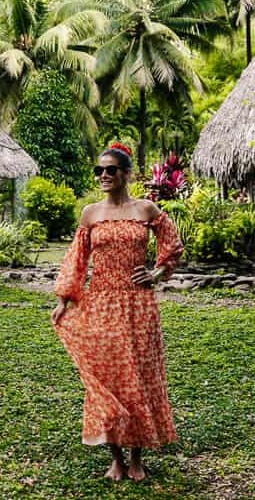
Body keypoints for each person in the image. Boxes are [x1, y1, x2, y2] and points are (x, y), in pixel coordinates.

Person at [51, 142, 184, 481]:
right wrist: (64, 299)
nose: (104, 175)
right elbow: (76, 260)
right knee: (107, 377)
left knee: (137, 376)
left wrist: (156, 273)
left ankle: (137, 458)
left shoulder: (146, 210)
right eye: (100, 170)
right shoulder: (90, 214)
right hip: (102, 302)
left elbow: (173, 245)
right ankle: (115, 459)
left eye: (111, 170)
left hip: (138, 305)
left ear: (126, 174)